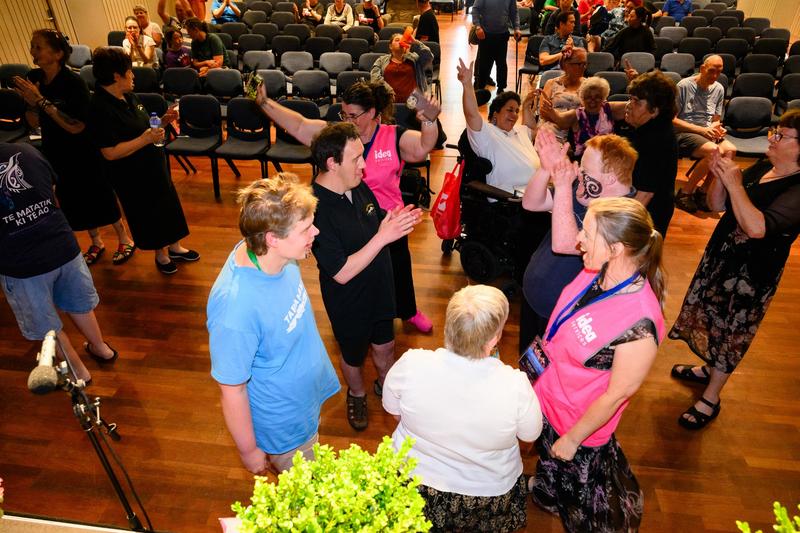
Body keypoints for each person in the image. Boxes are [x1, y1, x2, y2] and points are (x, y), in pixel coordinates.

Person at [255, 80, 438, 335]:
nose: (348, 120)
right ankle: (358, 322)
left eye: (354, 115)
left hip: (388, 220)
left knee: (397, 271)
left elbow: (424, 146)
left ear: (372, 113)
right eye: (344, 114)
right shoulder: (337, 139)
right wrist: (265, 103)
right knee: (357, 273)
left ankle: (407, 311)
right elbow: (298, 124)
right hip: (349, 220)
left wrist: (429, 120)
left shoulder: (393, 135)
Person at [530, 197, 666, 533]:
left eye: (587, 234)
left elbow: (616, 395)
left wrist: (574, 439)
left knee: (581, 505)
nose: (578, 239)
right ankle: (548, 494)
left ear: (616, 249)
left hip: (579, 424)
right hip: (550, 398)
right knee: (550, 460)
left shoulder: (641, 322)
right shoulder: (595, 270)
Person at [669, 111, 800, 430]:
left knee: (732, 332)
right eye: (775, 132)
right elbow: (717, 206)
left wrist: (734, 183)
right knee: (712, 316)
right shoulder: (767, 166)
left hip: (751, 275)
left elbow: (758, 228)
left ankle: (711, 398)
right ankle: (708, 368)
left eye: (782, 136)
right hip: (723, 257)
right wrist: (718, 177)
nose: (773, 139)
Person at [207, 175, 340, 474]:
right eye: (306, 228)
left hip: (303, 402)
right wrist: (250, 451)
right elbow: (232, 390)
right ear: (273, 238)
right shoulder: (235, 310)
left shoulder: (278, 256)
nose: (315, 232)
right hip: (284, 427)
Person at [382, 285, 543, 532]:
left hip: (413, 480)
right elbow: (530, 436)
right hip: (486, 494)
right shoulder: (515, 386)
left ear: (448, 326)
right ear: (494, 338)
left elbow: (393, 411)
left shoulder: (411, 364)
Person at [308, 122, 423, 430]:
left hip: (380, 287)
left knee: (386, 347)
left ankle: (387, 385)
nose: (365, 164)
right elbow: (341, 273)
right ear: (332, 164)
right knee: (353, 355)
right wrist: (384, 237)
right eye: (357, 158)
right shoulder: (314, 209)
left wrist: (395, 220)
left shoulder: (355, 183)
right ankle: (357, 393)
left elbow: (373, 220)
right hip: (349, 300)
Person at [13, 29, 135, 267]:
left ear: (58, 53)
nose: (33, 52)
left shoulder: (73, 83)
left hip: (82, 150)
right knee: (73, 198)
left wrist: (41, 101)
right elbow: (34, 122)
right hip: (55, 150)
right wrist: (31, 106)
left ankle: (124, 238)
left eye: (38, 47)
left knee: (100, 195)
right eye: (32, 47)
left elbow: (76, 127)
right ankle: (96, 241)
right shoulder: (34, 78)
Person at [0, 143, 119, 387]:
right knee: (79, 305)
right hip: (62, 245)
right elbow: (53, 193)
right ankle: (101, 348)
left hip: (22, 264)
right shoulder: (28, 151)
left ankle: (78, 373)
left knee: (46, 326)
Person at [520, 131, 638, 351]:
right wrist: (546, 169)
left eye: (585, 170)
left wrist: (563, 186)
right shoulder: (585, 191)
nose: (578, 172)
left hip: (563, 317)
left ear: (610, 177)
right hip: (534, 297)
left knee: (547, 379)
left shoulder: (623, 218)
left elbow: (565, 244)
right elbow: (531, 203)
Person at [87, 47, 198, 275]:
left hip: (153, 164)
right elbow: (110, 152)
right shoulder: (99, 108)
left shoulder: (129, 96)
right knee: (151, 212)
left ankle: (175, 247)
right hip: (131, 173)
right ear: (117, 76)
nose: (134, 76)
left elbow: (146, 127)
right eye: (130, 72)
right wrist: (145, 138)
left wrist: (163, 122)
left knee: (168, 205)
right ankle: (162, 254)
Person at [457, 58, 539, 194]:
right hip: (509, 201)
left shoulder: (519, 131)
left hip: (535, 194)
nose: (514, 115)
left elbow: (532, 129)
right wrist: (467, 84)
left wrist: (525, 108)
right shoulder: (487, 133)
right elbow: (471, 114)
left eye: (516, 111)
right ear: (496, 113)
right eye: (510, 110)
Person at [673, 55, 735, 213]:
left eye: (718, 72)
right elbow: (672, 120)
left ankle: (703, 190)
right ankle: (685, 193)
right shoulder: (683, 86)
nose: (714, 76)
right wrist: (702, 130)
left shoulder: (719, 88)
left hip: (707, 132)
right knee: (715, 151)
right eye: (711, 71)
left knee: (730, 151)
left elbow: (715, 119)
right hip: (685, 131)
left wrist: (717, 128)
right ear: (702, 69)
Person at [622, 70, 679, 237]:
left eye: (637, 102)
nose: (629, 105)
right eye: (630, 99)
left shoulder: (656, 140)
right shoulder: (648, 128)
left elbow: (645, 193)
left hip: (648, 213)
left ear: (654, 110)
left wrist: (620, 226)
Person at [539, 75, 621, 158]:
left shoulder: (609, 108)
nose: (593, 100)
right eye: (588, 97)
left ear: (603, 98)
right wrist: (551, 111)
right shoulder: (576, 114)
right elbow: (560, 120)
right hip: (584, 159)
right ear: (582, 98)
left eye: (597, 97)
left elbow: (630, 106)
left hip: (609, 156)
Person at [538, 46, 587, 142]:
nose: (583, 67)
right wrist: (561, 120)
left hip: (578, 131)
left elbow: (595, 111)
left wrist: (561, 118)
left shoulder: (589, 85)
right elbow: (543, 112)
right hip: (551, 130)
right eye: (579, 64)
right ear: (566, 65)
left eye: (585, 64)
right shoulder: (551, 83)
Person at [370, 31, 433, 104]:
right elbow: (375, 78)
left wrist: (415, 42)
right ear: (390, 46)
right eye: (397, 40)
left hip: (414, 104)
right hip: (388, 104)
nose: (400, 41)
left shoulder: (415, 58)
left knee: (432, 113)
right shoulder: (381, 60)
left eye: (403, 40)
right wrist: (388, 90)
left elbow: (429, 57)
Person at [471, 0, 521, 92]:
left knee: (501, 63)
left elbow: (514, 12)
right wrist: (478, 26)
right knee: (484, 63)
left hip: (502, 34)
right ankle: (480, 88)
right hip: (486, 34)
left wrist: (517, 28)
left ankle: (501, 87)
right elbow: (475, 9)